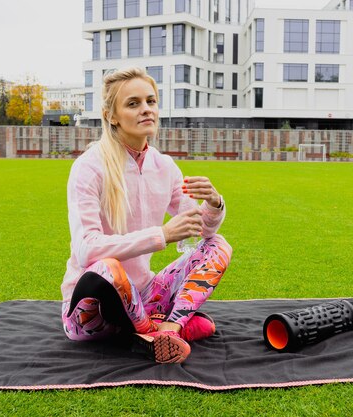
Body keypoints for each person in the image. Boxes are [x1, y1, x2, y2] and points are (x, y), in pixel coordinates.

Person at [61, 67, 232, 364]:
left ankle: (170, 327)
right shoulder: (89, 167)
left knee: (218, 245)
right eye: (133, 103)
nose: (146, 110)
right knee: (107, 269)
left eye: (151, 102)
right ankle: (149, 332)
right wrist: (161, 235)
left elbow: (199, 229)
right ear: (111, 116)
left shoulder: (165, 166)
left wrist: (214, 203)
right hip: (92, 309)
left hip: (145, 295)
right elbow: (85, 248)